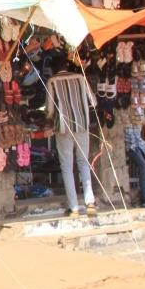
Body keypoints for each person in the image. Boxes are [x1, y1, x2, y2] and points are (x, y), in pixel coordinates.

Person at [45, 59, 97, 217]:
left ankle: (74, 207)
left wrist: (49, 119)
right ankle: (90, 203)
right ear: (66, 66)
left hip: (63, 129)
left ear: (54, 69)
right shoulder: (80, 78)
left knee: (67, 166)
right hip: (82, 126)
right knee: (83, 163)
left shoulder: (52, 81)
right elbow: (93, 102)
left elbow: (50, 110)